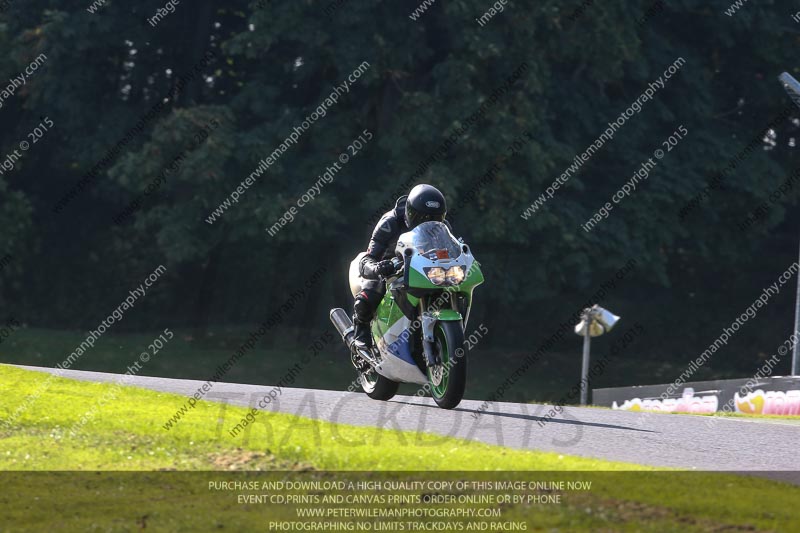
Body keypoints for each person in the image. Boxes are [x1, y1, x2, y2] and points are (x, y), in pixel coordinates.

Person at [352, 184, 450, 351]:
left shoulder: (443, 228)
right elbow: (368, 258)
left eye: (435, 219)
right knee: (371, 291)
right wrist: (378, 268)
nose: (429, 224)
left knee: (449, 286)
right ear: (410, 213)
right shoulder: (390, 222)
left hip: (423, 270)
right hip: (390, 268)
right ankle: (360, 329)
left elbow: (450, 252)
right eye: (423, 218)